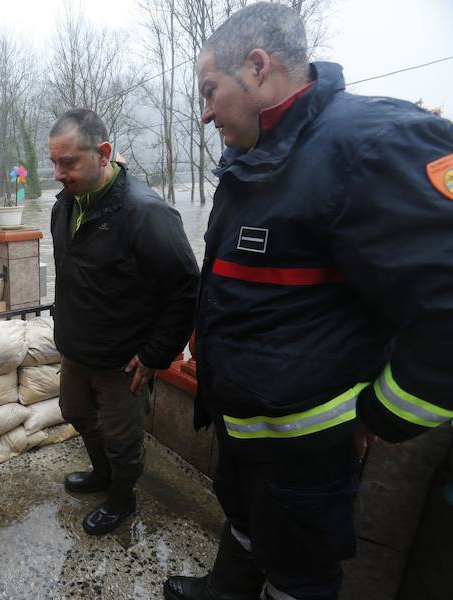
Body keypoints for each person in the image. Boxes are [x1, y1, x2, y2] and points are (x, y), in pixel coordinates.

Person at [164, 4, 453, 600]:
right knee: (244, 526)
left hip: (307, 451)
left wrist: (382, 416)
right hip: (243, 427)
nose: (205, 111)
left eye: (211, 90)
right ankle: (226, 590)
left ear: (259, 67)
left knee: (299, 575)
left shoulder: (372, 146)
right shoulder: (252, 155)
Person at [48, 108, 200, 535]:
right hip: (78, 349)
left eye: (69, 162)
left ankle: (122, 497)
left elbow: (186, 288)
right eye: (54, 162)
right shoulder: (64, 206)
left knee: (122, 439)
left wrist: (156, 354)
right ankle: (101, 475)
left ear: (104, 154)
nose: (58, 173)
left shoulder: (145, 212)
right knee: (75, 412)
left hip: (123, 361)